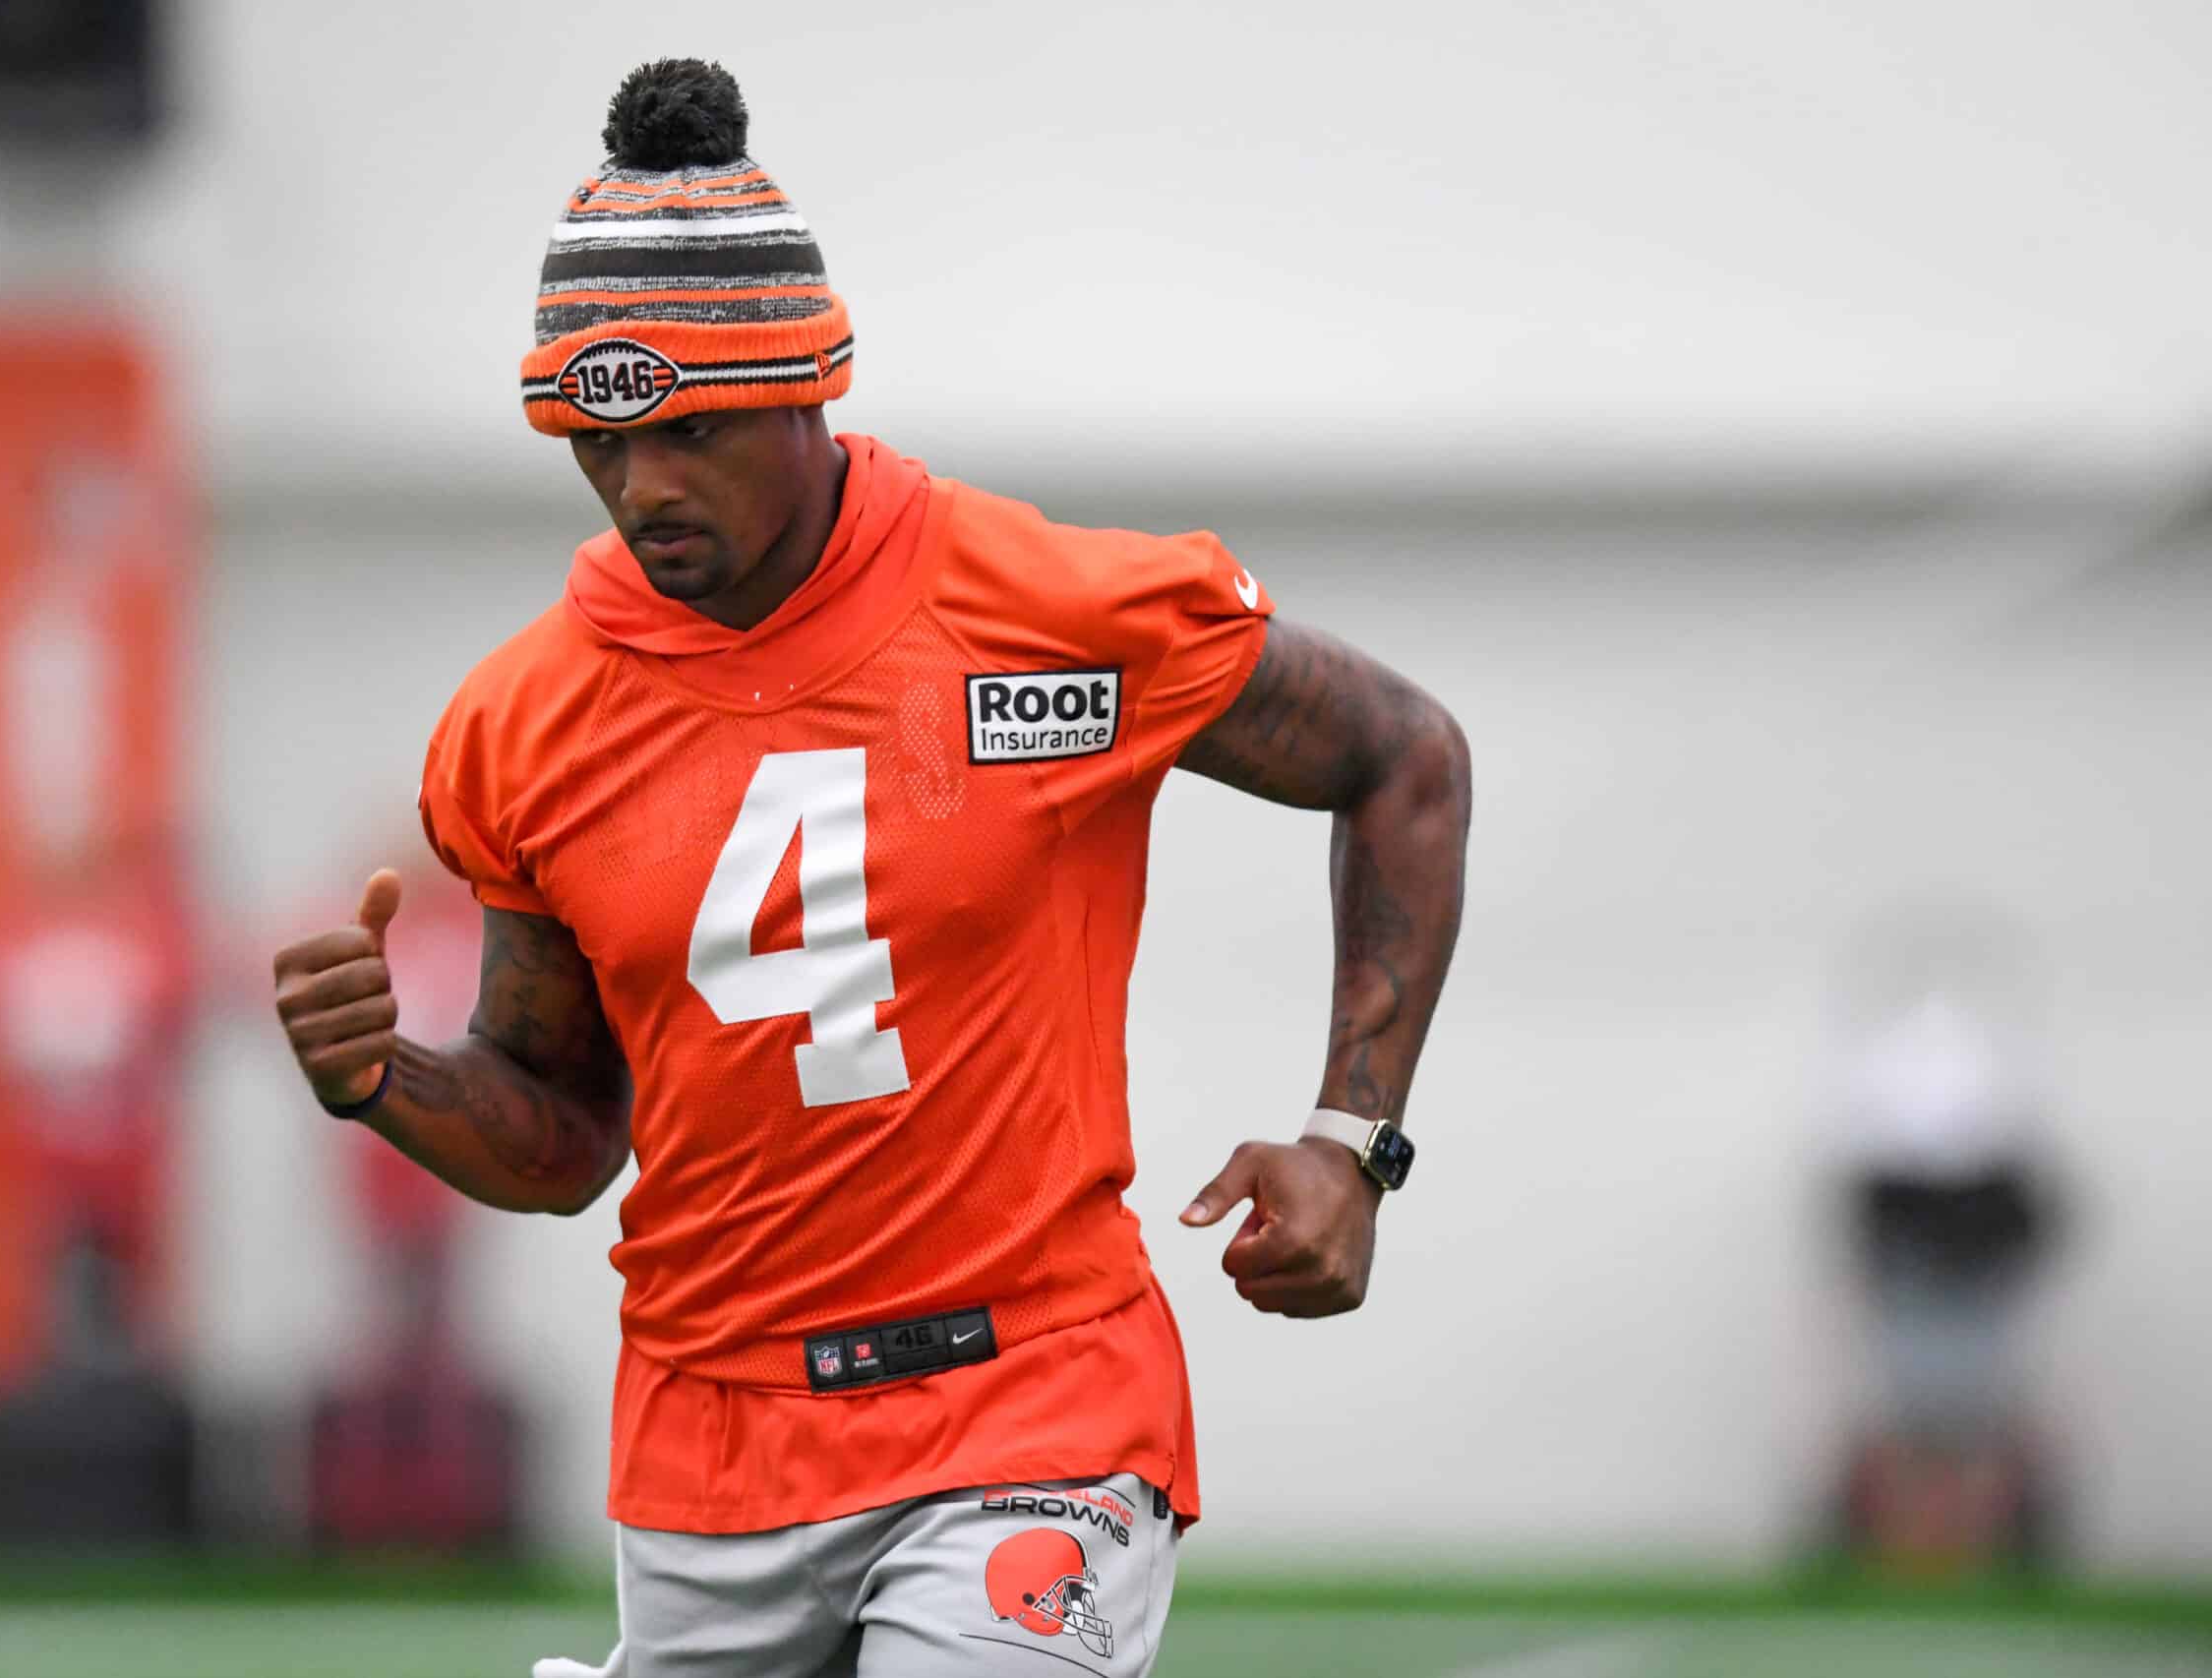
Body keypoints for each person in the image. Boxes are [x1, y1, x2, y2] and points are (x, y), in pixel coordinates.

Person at [269, 59, 1471, 1678]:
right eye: (598, 442)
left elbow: (1405, 757)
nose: (646, 489)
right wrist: (380, 1077)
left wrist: (1353, 1135)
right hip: (714, 1451)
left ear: (809, 384)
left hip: (1031, 1399)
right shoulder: (519, 723)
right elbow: (562, 1135)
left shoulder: (1043, 610)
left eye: (691, 430)